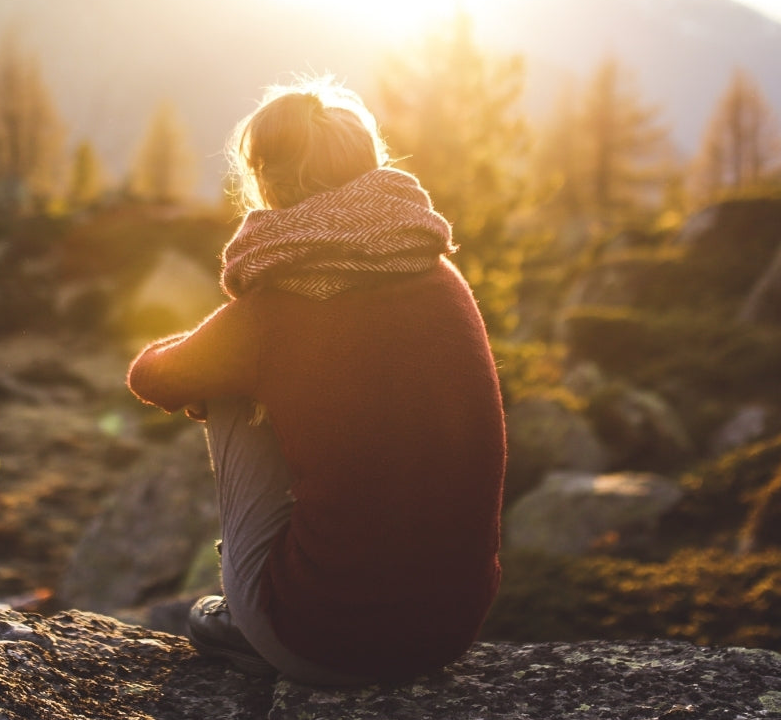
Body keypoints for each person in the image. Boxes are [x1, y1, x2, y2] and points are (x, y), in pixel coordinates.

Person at [125, 77, 506, 685]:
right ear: (369, 165)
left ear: (268, 182)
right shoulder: (441, 277)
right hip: (449, 633)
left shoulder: (274, 307)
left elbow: (153, 377)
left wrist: (233, 361)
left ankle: (250, 608)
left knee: (225, 383)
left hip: (321, 642)